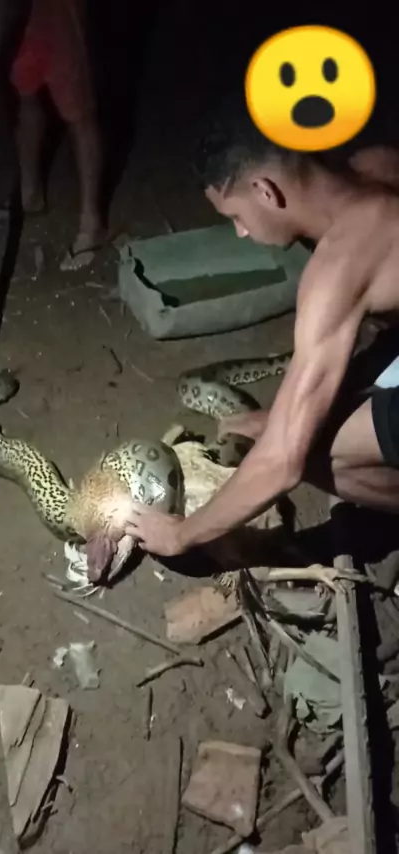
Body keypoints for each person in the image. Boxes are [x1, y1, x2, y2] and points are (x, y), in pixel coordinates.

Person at [125, 104, 399, 556]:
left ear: (265, 191)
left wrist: (181, 534)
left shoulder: (338, 269)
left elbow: (282, 461)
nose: (240, 232)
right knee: (267, 424)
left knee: (306, 452)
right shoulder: (374, 165)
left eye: (236, 216)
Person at [0, 0, 104, 270]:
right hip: (26, 15)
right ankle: (30, 194)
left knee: (78, 110)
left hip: (60, 9)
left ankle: (92, 222)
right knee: (24, 91)